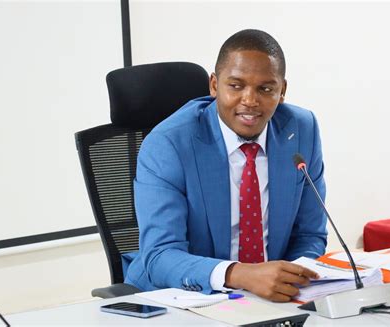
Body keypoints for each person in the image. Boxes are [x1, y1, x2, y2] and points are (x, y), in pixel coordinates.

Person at [124, 29, 327, 302]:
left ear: (282, 92)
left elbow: (310, 234)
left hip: (270, 302)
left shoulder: (302, 130)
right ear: (213, 85)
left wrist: (294, 279)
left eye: (266, 89)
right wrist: (241, 275)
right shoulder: (167, 144)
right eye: (236, 85)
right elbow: (160, 256)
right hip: (182, 300)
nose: (250, 100)